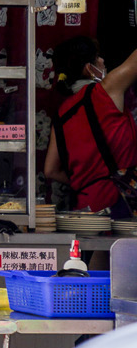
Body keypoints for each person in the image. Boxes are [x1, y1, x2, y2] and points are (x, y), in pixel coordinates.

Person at [44, 36, 137, 217]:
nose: (103, 60)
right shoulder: (105, 91)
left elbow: (50, 170)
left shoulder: (62, 114)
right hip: (120, 201)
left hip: (86, 207)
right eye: (98, 57)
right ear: (89, 68)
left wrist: (88, 181)